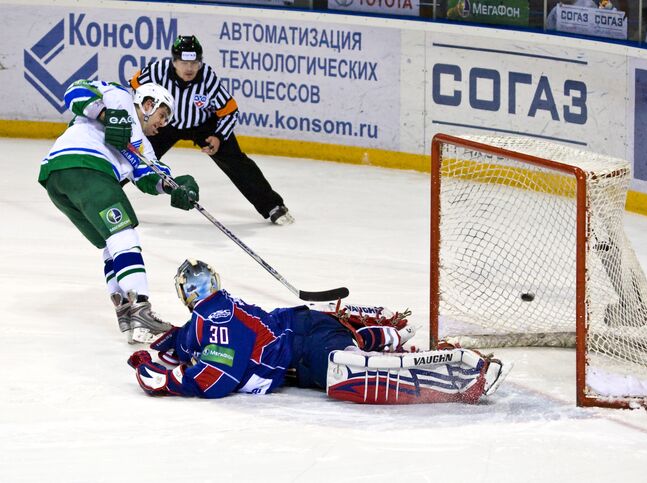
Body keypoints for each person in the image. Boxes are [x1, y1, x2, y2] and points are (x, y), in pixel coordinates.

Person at [127, 259, 512, 404]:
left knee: (349, 374)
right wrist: (166, 342)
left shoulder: (215, 320)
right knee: (341, 343)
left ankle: (449, 369)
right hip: (305, 322)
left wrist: (156, 375)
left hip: (304, 351)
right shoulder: (212, 314)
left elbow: (215, 380)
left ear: (187, 296)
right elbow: (184, 340)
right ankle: (384, 333)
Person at [39, 79, 201, 344]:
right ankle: (142, 309)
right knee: (123, 232)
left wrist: (176, 187)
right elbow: (74, 90)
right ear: (148, 104)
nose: (163, 124)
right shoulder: (119, 96)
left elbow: (150, 176)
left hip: (59, 180)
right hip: (87, 167)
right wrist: (106, 114)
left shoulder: (142, 146)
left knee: (110, 243)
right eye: (162, 115)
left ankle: (126, 312)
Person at [129, 35, 294, 226]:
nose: (189, 68)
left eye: (195, 62)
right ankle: (104, 192)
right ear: (174, 61)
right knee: (133, 155)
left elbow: (230, 109)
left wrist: (219, 136)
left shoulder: (207, 77)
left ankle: (272, 206)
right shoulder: (157, 70)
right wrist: (144, 121)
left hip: (204, 125)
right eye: (184, 62)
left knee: (237, 163)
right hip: (166, 124)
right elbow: (134, 87)